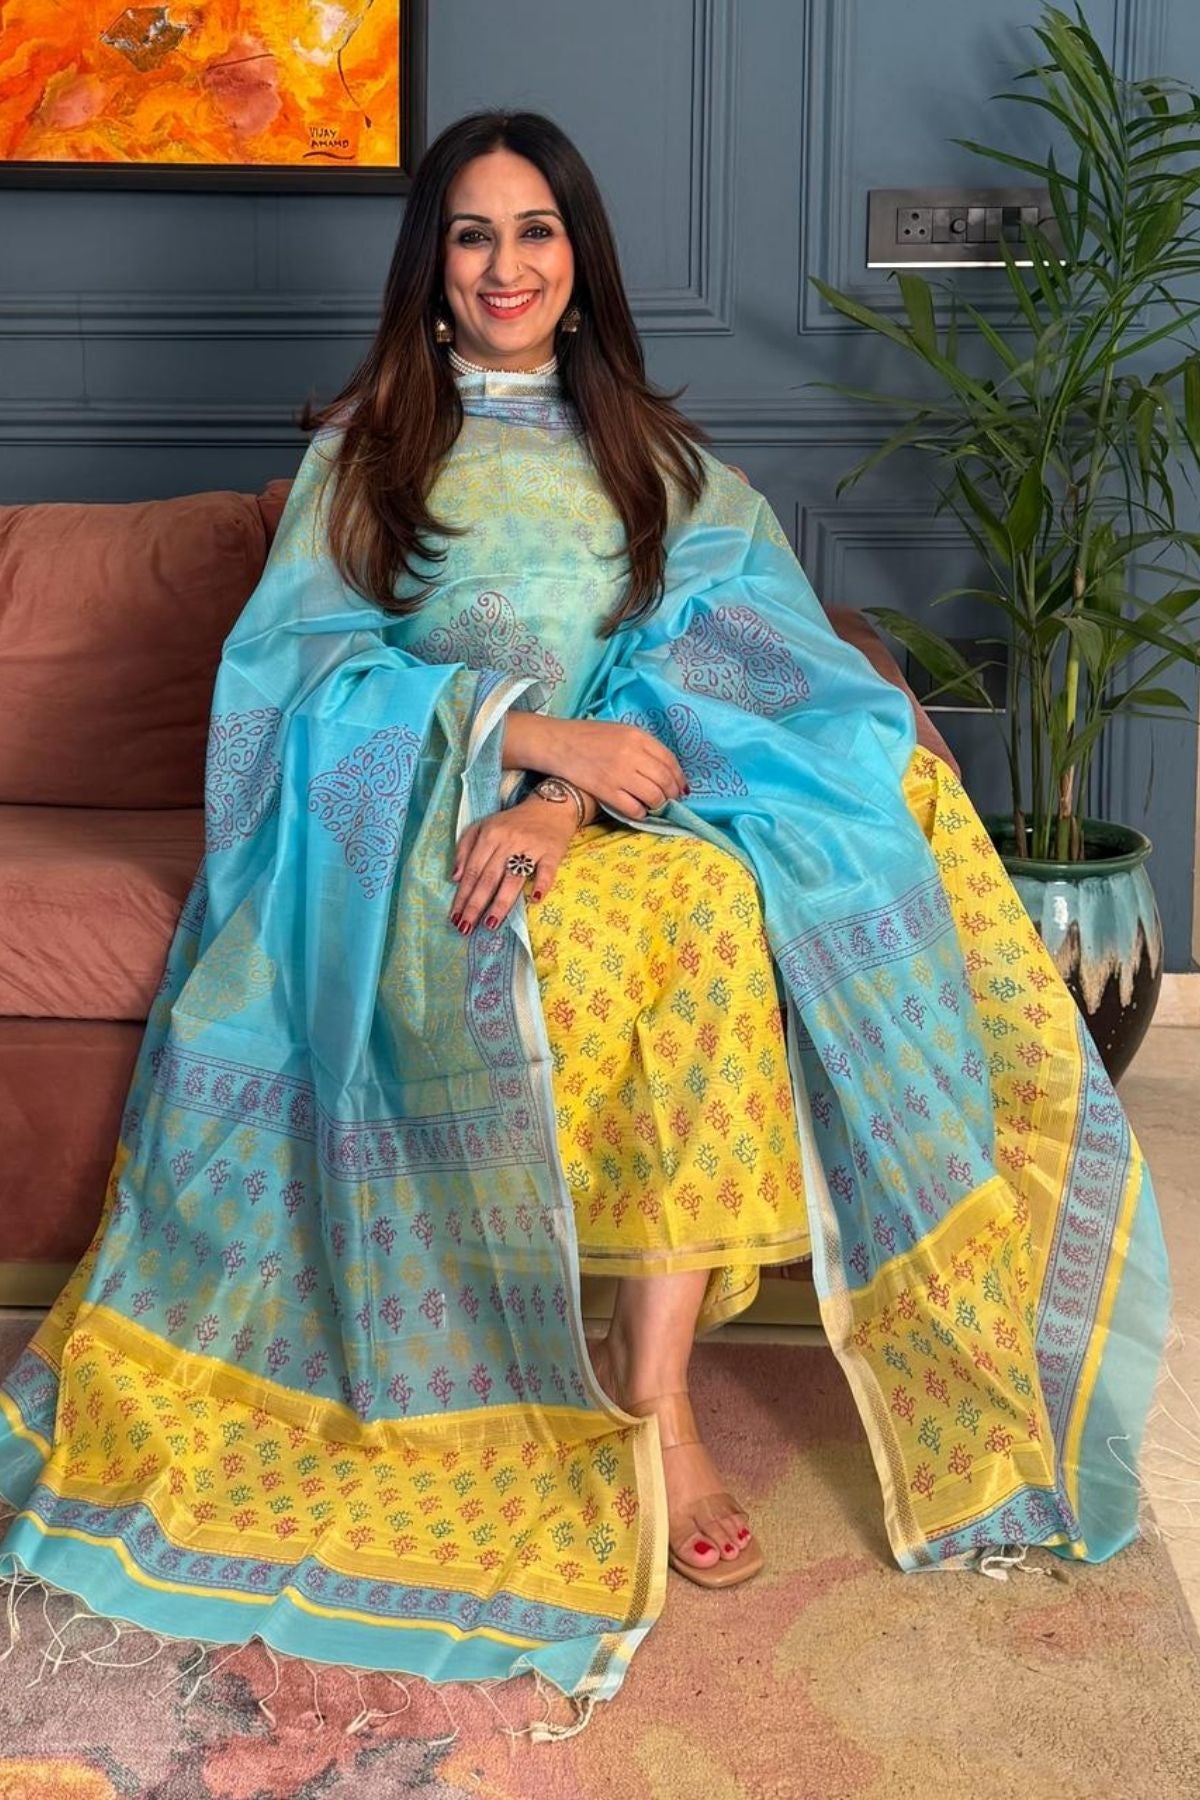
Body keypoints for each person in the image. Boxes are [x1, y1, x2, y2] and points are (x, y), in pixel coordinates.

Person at [0, 109, 1172, 1735]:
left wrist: (570, 797)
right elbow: (292, 698)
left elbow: (740, 672)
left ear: (580, 257)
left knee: (716, 905)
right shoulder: (366, 459)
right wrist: (518, 745)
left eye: (535, 230)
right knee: (594, 925)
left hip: (624, 827)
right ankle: (549, 1385)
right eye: (472, 234)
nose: (506, 266)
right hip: (411, 839)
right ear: (431, 268)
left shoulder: (664, 465)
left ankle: (654, 1392)